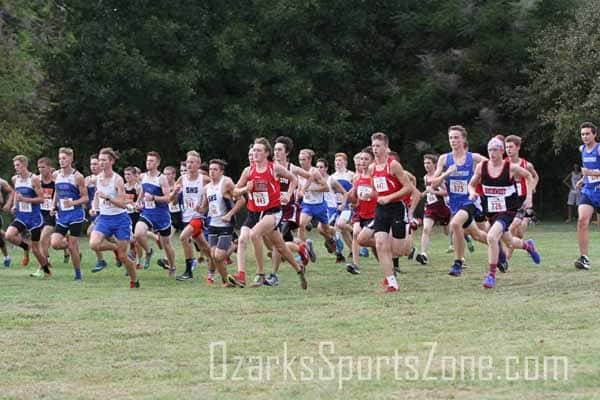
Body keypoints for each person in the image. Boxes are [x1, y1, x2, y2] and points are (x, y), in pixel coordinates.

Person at [230, 137, 307, 289]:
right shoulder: (248, 171)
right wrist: (245, 189)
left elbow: (293, 179)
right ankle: (299, 269)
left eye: (259, 150)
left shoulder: (274, 168)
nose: (255, 153)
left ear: (266, 153)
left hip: (272, 211)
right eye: (254, 150)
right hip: (253, 213)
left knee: (254, 234)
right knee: (278, 246)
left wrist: (288, 194)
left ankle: (260, 273)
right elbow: (234, 191)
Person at [468, 137, 541, 288]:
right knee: (509, 241)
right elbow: (471, 184)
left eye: (495, 149)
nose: (492, 153)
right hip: (491, 212)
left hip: (508, 210)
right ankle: (528, 246)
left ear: (501, 151)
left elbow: (528, 176)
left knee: (492, 236)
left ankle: (491, 275)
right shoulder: (482, 167)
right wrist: (472, 192)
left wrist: (529, 197)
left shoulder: (511, 168)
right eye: (489, 150)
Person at [430, 125, 488, 277]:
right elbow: (433, 184)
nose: (453, 140)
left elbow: (493, 166)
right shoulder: (444, 159)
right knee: (476, 235)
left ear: (463, 139)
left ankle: (458, 263)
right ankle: (498, 249)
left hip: (470, 201)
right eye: (451, 138)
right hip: (454, 204)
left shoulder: (473, 158)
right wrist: (446, 173)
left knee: (455, 225)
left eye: (456, 137)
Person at [369, 132, 415, 292]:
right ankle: (392, 281)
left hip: (397, 207)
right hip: (381, 209)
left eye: (378, 146)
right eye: (373, 146)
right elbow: (375, 190)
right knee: (380, 243)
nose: (375, 149)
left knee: (398, 250)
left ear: (386, 147)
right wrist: (369, 194)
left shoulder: (393, 165)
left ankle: (409, 240)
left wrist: (389, 197)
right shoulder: (372, 168)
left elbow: (409, 187)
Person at [89, 148, 139, 288]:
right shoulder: (98, 177)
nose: (101, 163)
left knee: (123, 257)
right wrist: (94, 207)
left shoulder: (117, 179)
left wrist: (109, 198)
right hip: (104, 218)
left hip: (120, 219)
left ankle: (134, 280)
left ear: (111, 161)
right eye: (100, 160)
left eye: (104, 160)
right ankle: (115, 248)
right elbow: (97, 195)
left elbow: (123, 204)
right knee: (93, 244)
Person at [4, 155, 49, 277]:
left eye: (18, 165)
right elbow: (16, 193)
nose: (16, 168)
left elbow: (41, 199)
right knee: (9, 235)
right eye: (15, 166)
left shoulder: (33, 179)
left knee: (36, 249)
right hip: (21, 216)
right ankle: (25, 247)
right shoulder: (15, 179)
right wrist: (14, 205)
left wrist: (25, 199)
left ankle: (46, 270)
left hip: (34, 218)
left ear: (25, 165)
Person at [134, 151, 177, 276]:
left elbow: (168, 198)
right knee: (138, 234)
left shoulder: (161, 178)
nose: (148, 163)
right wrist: (138, 202)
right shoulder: (143, 176)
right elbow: (143, 191)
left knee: (166, 244)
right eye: (147, 160)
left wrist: (153, 198)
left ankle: (172, 267)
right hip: (147, 213)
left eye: (151, 161)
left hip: (161, 215)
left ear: (157, 163)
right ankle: (148, 251)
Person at [203, 159, 244, 286]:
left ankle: (233, 246)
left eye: (215, 169)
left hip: (226, 224)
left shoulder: (226, 182)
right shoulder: (207, 187)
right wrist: (198, 209)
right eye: (210, 169)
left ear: (221, 172)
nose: (212, 172)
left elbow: (241, 200)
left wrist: (229, 214)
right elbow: (205, 206)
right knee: (214, 256)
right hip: (212, 224)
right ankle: (227, 281)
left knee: (219, 256)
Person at [171, 150, 212, 281]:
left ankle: (189, 272)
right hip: (186, 217)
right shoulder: (182, 179)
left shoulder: (204, 179)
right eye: (187, 162)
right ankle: (217, 262)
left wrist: (204, 207)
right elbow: (173, 201)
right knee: (204, 247)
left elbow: (217, 191)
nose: (189, 165)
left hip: (199, 217)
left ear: (198, 164)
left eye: (192, 162)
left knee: (183, 237)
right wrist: (175, 193)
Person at [49, 147, 88, 280]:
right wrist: (53, 205)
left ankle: (78, 273)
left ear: (71, 159)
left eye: (64, 158)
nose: (61, 161)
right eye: (60, 159)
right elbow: (57, 191)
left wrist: (73, 203)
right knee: (54, 243)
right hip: (62, 215)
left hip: (76, 215)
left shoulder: (77, 177)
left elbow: (85, 198)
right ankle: (75, 249)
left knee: (71, 246)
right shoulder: (56, 175)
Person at [297, 149, 336, 254]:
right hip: (307, 205)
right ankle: (304, 251)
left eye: (304, 159)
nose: (301, 162)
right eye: (300, 159)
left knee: (326, 230)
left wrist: (311, 189)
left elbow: (326, 188)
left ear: (309, 160)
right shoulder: (299, 172)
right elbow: (300, 187)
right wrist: (298, 194)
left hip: (319, 206)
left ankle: (334, 236)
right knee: (301, 224)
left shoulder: (315, 172)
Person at [416, 154, 451, 265]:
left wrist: (434, 192)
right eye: (425, 163)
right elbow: (429, 189)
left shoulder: (440, 176)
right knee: (426, 229)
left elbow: (446, 192)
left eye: (429, 163)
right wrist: (422, 194)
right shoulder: (426, 177)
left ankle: (464, 238)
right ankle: (423, 254)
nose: (426, 165)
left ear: (435, 164)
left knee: (447, 231)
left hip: (442, 207)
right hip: (430, 207)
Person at [346, 147, 377, 274]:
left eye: (366, 159)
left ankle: (387, 260)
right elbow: (355, 197)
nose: (363, 162)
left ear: (372, 161)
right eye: (361, 159)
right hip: (360, 212)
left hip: (374, 213)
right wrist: (353, 202)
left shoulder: (374, 176)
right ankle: (355, 265)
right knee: (355, 234)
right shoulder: (356, 177)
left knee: (374, 243)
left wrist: (371, 195)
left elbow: (380, 194)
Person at [575, 122, 600, 270]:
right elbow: (587, 170)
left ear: (594, 134)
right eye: (582, 134)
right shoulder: (582, 149)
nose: (584, 136)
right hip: (589, 191)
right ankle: (584, 258)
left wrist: (591, 174)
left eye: (587, 134)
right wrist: (582, 180)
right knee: (582, 221)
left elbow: (591, 171)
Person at [31, 157, 55, 278]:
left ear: (49, 168)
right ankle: (46, 262)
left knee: (43, 239)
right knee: (44, 242)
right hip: (39, 214)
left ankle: (42, 267)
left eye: (43, 167)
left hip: (52, 214)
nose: (41, 170)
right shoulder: (36, 180)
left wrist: (56, 207)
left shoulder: (55, 181)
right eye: (39, 167)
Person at [0, 177, 14, 267]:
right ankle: (7, 257)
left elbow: (12, 191)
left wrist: (8, 203)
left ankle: (6, 257)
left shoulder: (1, 182)